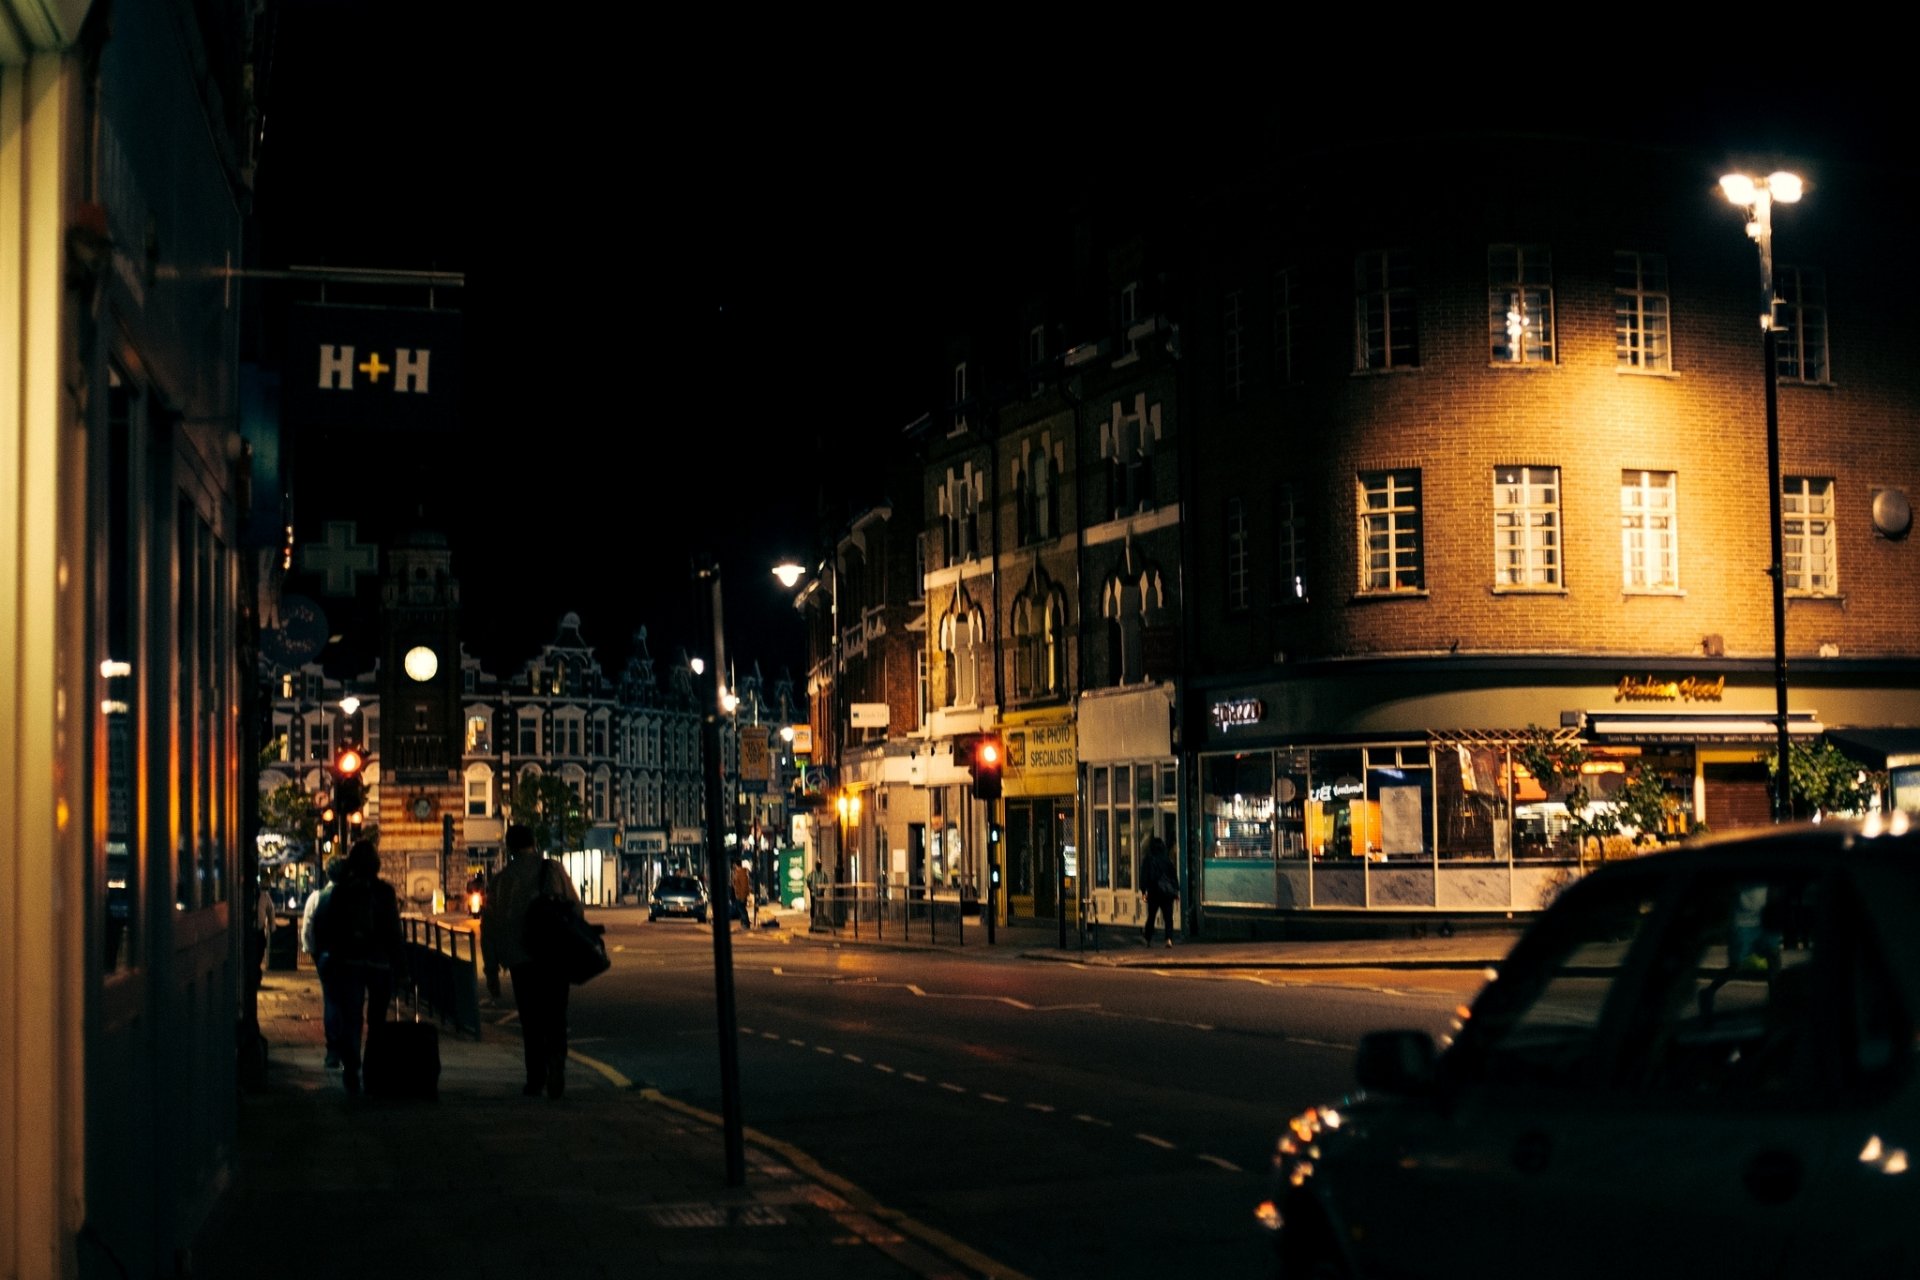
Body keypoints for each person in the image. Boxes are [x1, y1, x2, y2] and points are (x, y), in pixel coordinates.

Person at [482, 824, 585, 1098]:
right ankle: (556, 1064)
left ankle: (535, 1078)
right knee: (556, 1016)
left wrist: (491, 971)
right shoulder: (553, 870)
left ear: (509, 846)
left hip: (521, 961)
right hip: (554, 958)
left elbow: (489, 928)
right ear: (534, 842)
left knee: (530, 1021)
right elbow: (576, 908)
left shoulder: (502, 880)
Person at [310, 840, 405, 1096]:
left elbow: (327, 927)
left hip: (349, 962)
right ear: (376, 865)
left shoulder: (342, 891)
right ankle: (373, 1072)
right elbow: (394, 931)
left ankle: (352, 1068)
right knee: (377, 1020)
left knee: (352, 1018)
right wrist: (398, 964)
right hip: (379, 963)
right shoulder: (385, 891)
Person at [301, 857, 347, 1068]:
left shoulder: (317, 897)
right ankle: (350, 1048)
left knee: (331, 1000)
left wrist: (312, 952)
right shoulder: (354, 898)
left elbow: (307, 930)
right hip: (350, 957)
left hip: (326, 956)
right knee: (351, 1002)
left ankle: (333, 1049)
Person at [1141, 835, 1179, 948]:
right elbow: (1173, 876)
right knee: (1168, 917)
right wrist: (1175, 891)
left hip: (1154, 892)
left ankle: (1148, 938)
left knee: (1151, 916)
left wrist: (1143, 891)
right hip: (1167, 893)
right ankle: (1168, 939)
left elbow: (1144, 876)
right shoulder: (1166, 859)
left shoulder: (1148, 859)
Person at [731, 859, 754, 930]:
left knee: (742, 909)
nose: (733, 866)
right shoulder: (737, 872)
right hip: (739, 895)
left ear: (736, 865)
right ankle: (744, 923)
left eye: (734, 865)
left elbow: (744, 886)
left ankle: (746, 924)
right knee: (741, 909)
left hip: (741, 895)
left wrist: (742, 896)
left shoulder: (741, 873)